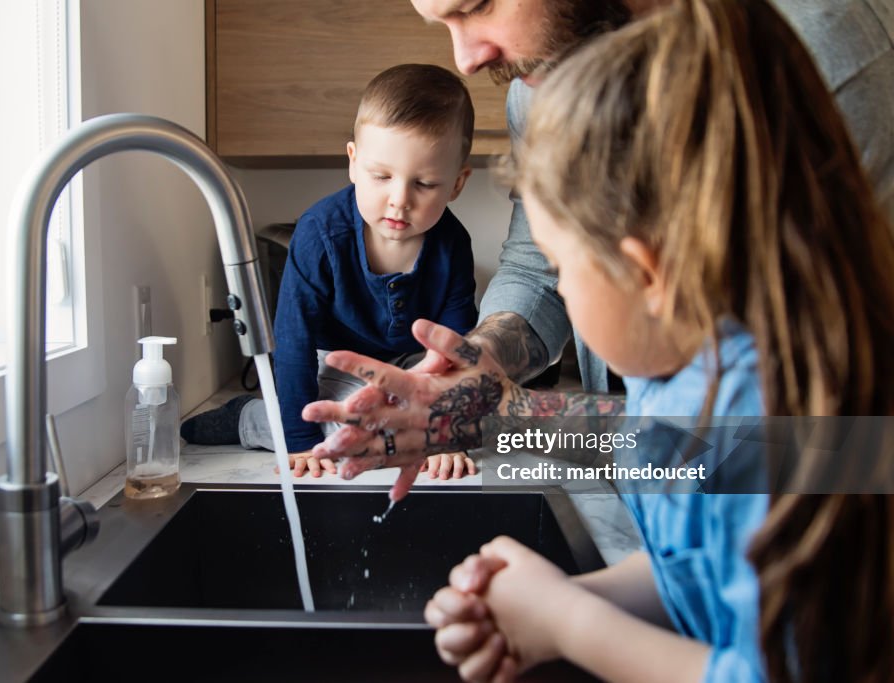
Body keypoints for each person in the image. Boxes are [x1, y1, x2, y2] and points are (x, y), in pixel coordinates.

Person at [418, 1, 894, 681]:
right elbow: (696, 567)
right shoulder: (676, 374)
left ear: (646, 272)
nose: (465, 57)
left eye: (566, 268)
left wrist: (572, 623)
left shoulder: (771, 424)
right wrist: (557, 606)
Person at [299, 0, 894, 498]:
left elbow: (824, 450)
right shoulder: (542, 82)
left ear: (648, 269)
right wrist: (473, 371)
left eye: (478, 5)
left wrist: (513, 419)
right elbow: (537, 268)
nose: (465, 58)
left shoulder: (822, 58)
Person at [182, 63, 479, 480]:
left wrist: (448, 436)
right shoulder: (320, 233)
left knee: (486, 414)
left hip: (407, 363)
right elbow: (293, 341)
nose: (399, 200)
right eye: (381, 176)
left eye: (425, 184)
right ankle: (250, 418)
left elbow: (453, 351)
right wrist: (300, 442)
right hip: (329, 365)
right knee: (350, 423)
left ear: (457, 184)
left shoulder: (452, 244)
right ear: (354, 163)